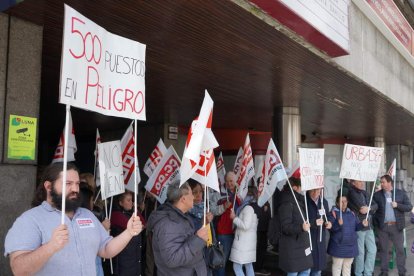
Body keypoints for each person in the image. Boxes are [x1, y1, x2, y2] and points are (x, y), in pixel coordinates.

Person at [4, 162, 143, 275]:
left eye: (77, 184)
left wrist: (129, 232)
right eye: (68, 183)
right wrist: (51, 246)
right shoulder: (30, 220)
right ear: (48, 186)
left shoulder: (87, 215)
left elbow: (106, 249)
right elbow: (19, 269)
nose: (75, 189)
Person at [146, 181, 208, 275]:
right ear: (183, 199)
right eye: (191, 194)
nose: (193, 197)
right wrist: (198, 239)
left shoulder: (181, 216)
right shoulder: (168, 223)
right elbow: (172, 259)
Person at [373, 174, 413, 276]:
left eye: (383, 182)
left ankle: (402, 272)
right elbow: (374, 210)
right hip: (383, 227)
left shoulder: (400, 193)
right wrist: (377, 226)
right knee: (384, 250)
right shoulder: (377, 195)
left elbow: (409, 207)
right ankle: (384, 271)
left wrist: (398, 205)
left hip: (396, 226)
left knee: (400, 250)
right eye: (381, 182)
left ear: (389, 182)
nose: (381, 184)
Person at [278, 177, 313, 276]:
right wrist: (301, 227)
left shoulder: (299, 201)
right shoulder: (287, 203)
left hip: (301, 245)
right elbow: (285, 227)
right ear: (294, 188)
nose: (302, 190)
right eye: (300, 187)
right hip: (292, 248)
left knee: (306, 271)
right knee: (294, 273)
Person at [327, 195, 368, 276]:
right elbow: (330, 229)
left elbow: (356, 227)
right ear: (337, 203)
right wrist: (338, 224)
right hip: (338, 246)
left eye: (345, 201)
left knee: (347, 267)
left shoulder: (352, 213)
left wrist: (362, 224)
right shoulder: (333, 213)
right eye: (341, 201)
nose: (344, 203)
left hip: (351, 245)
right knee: (337, 268)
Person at [347, 179, 378, 276]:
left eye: (362, 181)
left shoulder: (365, 193)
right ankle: (358, 273)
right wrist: (370, 208)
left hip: (369, 226)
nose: (362, 183)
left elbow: (375, 205)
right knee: (360, 253)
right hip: (359, 225)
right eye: (359, 181)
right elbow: (361, 209)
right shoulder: (351, 193)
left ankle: (368, 273)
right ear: (353, 183)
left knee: (372, 250)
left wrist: (369, 208)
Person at [111, 190, 145, 276]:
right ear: (121, 203)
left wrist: (135, 209)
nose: (131, 203)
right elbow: (134, 227)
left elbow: (143, 224)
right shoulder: (116, 215)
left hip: (133, 255)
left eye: (132, 200)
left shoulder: (131, 213)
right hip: (124, 258)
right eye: (128, 200)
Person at [79, 182, 110, 276]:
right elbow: (88, 243)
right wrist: (102, 228)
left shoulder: (91, 216)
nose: (93, 202)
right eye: (91, 199)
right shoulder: (81, 219)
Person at [214, 171, 241, 276]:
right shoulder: (220, 193)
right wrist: (224, 206)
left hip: (236, 231)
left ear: (235, 181)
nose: (229, 183)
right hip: (224, 233)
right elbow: (213, 210)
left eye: (231, 181)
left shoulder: (239, 193)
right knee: (221, 261)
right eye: (227, 181)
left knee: (232, 261)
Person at [229, 186, 259, 276]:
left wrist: (234, 218)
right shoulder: (251, 206)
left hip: (244, 243)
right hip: (246, 243)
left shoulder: (248, 208)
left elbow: (246, 226)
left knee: (237, 267)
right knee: (248, 265)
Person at [306, 188, 332, 276]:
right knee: (307, 269)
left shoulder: (323, 201)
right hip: (308, 238)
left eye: (318, 190)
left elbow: (328, 215)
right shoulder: (304, 201)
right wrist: (313, 223)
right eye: (313, 190)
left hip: (320, 239)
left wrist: (329, 223)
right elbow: (301, 220)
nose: (316, 193)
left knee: (317, 270)